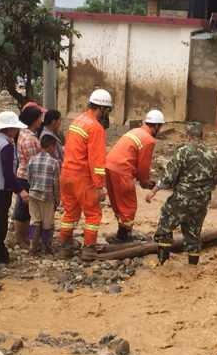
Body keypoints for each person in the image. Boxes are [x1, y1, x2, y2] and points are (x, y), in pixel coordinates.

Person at [146, 122, 217, 266]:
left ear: (187, 135)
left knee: (165, 227)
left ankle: (163, 265)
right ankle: (192, 269)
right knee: (193, 234)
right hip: (202, 201)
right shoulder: (212, 154)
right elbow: (215, 179)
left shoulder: (183, 151)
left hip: (182, 199)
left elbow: (169, 177)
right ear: (201, 135)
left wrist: (154, 191)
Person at [59, 89, 112, 261]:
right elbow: (97, 162)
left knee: (70, 212)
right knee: (93, 213)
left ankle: (65, 247)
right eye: (108, 111)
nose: (107, 115)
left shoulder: (77, 121)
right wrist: (99, 186)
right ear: (102, 109)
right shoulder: (95, 127)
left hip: (66, 174)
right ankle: (89, 249)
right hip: (82, 177)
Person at [106, 109, 164, 241]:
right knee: (129, 206)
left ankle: (121, 233)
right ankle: (123, 237)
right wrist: (145, 182)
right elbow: (143, 166)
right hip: (122, 170)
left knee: (118, 203)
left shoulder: (134, 131)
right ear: (156, 126)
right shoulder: (148, 140)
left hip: (109, 166)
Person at [0, 111, 29, 266]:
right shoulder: (6, 145)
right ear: (9, 128)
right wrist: (20, 191)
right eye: (15, 128)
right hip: (0, 190)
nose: (17, 131)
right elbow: (8, 173)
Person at [13, 106, 43, 249]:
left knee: (25, 210)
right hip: (28, 177)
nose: (40, 121)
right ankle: (22, 238)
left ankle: (24, 238)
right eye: (39, 119)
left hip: (23, 175)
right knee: (25, 211)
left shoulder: (23, 133)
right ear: (34, 120)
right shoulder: (29, 139)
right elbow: (34, 162)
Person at [27, 134, 60, 255]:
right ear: (51, 146)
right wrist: (57, 199)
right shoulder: (54, 163)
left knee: (34, 221)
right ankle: (47, 247)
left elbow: (29, 178)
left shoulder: (32, 160)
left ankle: (33, 247)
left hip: (33, 195)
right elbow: (56, 184)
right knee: (47, 223)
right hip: (47, 196)